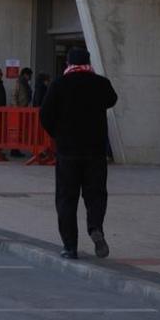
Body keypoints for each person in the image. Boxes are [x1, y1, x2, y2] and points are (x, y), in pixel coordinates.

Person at [40, 48, 117, 260]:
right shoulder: (101, 84)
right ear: (88, 62)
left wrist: (59, 134)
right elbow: (112, 100)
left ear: (68, 63)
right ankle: (95, 228)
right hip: (95, 152)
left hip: (68, 152)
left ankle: (70, 246)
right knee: (96, 194)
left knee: (66, 198)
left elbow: (45, 115)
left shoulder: (58, 85)